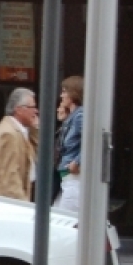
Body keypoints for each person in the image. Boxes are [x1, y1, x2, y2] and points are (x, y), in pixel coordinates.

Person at [0, 88, 38, 201]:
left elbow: (36, 152)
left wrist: (35, 128)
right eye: (32, 107)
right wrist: (23, 204)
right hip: (8, 204)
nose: (36, 111)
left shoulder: (20, 130)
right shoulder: (8, 134)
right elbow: (10, 177)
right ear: (19, 109)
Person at [54, 75, 85, 213]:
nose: (61, 95)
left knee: (65, 220)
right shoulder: (72, 117)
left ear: (73, 93)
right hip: (68, 179)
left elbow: (90, 141)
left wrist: (77, 162)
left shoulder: (79, 115)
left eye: (64, 91)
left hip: (74, 179)